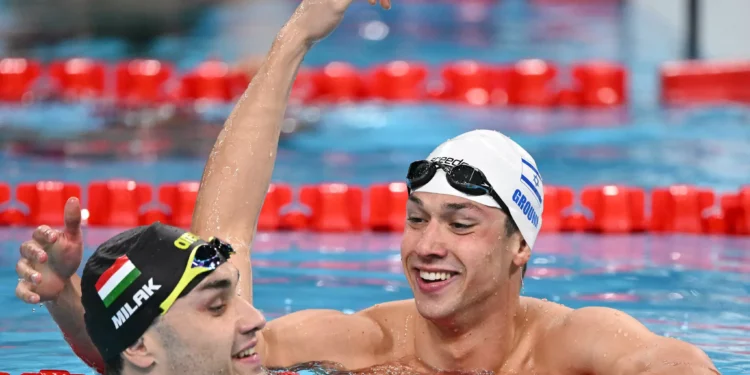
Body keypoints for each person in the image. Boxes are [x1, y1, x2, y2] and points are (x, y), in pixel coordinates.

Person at [15, 0, 720, 374]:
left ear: (519, 249)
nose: (427, 244)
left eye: (461, 222)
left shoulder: (577, 344)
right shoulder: (357, 343)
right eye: (417, 218)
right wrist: (296, 37)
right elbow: (164, 349)